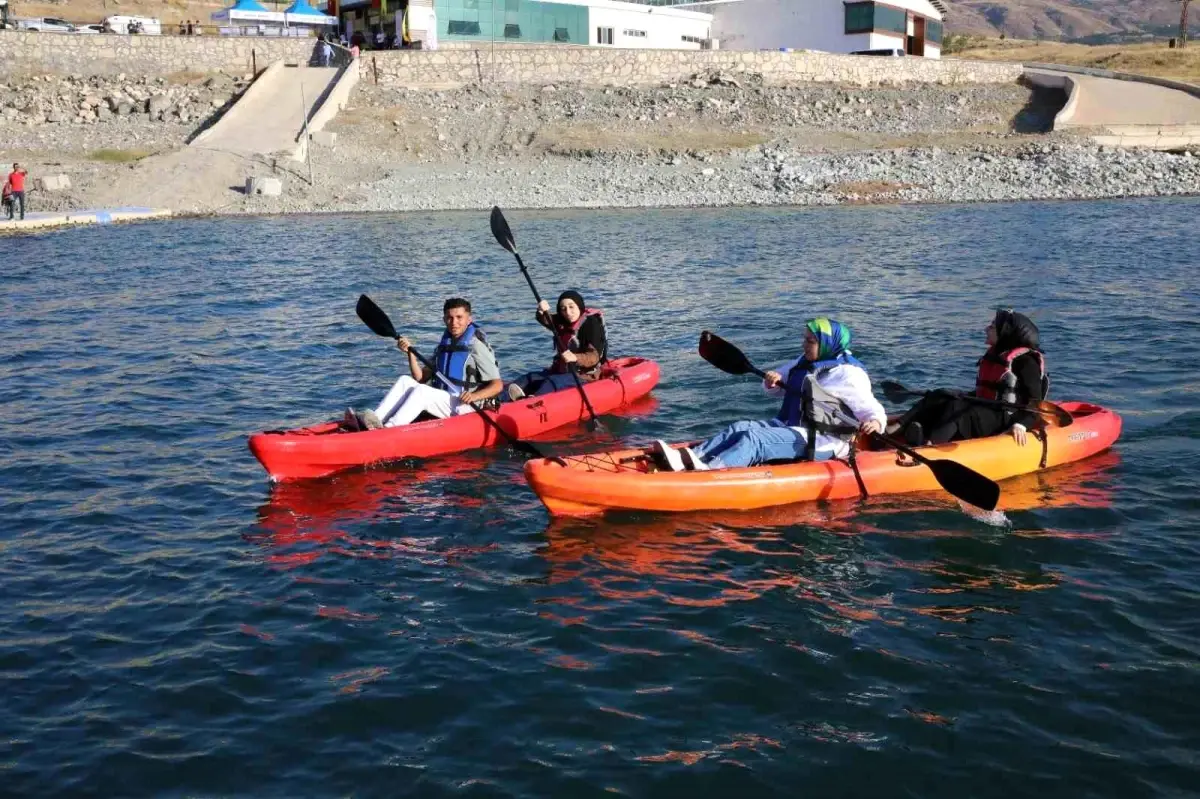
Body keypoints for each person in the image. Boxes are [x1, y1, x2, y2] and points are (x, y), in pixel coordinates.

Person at [654, 318, 886, 471]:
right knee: (740, 427)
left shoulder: (849, 374)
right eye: (804, 339)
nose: (804, 344)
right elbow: (774, 388)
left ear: (827, 343)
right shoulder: (804, 361)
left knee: (755, 441)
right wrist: (772, 380)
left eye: (810, 341)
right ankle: (690, 457)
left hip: (824, 440)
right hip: (790, 425)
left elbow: (872, 409)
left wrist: (875, 422)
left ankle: (708, 472)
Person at [893, 309, 1047, 447]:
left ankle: (928, 447)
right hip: (986, 410)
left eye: (992, 327)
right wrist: (965, 395)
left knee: (956, 408)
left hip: (1006, 417)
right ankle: (897, 429)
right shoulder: (996, 355)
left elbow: (1035, 404)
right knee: (941, 395)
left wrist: (1021, 424)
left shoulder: (1026, 362)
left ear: (1005, 332)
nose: (986, 329)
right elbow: (991, 390)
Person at [346, 297, 504, 430]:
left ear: (469, 319)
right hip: (447, 399)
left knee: (422, 392)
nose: (454, 322)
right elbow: (420, 377)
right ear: (444, 319)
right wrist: (410, 353)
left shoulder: (476, 346)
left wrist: (474, 395)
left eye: (459, 317)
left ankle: (390, 429)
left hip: (467, 404)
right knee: (405, 381)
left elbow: (497, 385)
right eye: (449, 317)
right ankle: (375, 420)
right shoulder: (444, 345)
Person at [506, 290, 607, 400]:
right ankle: (498, 399)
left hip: (583, 375)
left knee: (552, 382)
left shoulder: (591, 324)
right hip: (561, 370)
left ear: (579, 306)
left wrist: (575, 357)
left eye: (571, 307)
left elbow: (594, 357)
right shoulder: (563, 321)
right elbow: (546, 320)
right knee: (529, 378)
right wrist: (541, 311)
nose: (568, 312)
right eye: (563, 308)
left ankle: (531, 403)